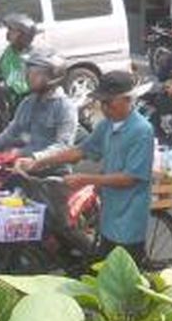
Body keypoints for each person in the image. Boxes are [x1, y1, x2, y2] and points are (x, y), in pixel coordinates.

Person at [16, 71, 154, 263]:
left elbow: (130, 178)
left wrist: (86, 180)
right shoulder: (107, 125)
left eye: (109, 102)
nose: (104, 108)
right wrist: (38, 161)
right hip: (109, 213)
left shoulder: (141, 131)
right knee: (104, 268)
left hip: (129, 216)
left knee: (126, 276)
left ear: (127, 99)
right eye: (102, 103)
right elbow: (80, 151)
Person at [0, 48, 80, 160]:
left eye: (36, 74)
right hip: (22, 166)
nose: (29, 77)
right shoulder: (28, 103)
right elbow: (10, 134)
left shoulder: (64, 107)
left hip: (51, 170)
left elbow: (63, 147)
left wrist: (31, 157)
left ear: (53, 77)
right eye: (29, 72)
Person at [0, 13, 39, 106]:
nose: (8, 33)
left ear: (23, 35)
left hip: (25, 104)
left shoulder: (32, 57)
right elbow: (0, 68)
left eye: (11, 30)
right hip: (6, 101)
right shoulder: (9, 51)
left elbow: (23, 87)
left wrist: (7, 86)